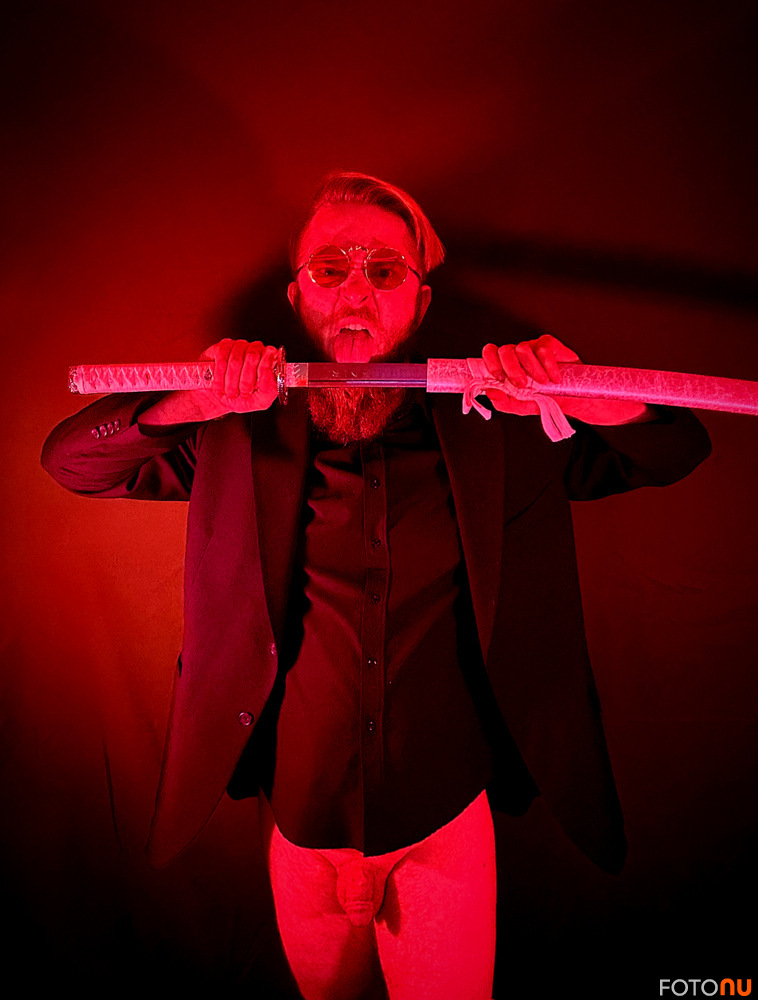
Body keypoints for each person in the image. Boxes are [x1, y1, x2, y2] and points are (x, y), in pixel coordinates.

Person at [42, 172, 711, 1000]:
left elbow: (676, 450)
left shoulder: (503, 429)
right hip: (301, 830)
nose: (356, 289)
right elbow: (72, 462)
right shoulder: (229, 433)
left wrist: (582, 395)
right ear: (298, 296)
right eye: (331, 269)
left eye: (385, 270)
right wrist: (187, 400)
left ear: (419, 303)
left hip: (445, 826)